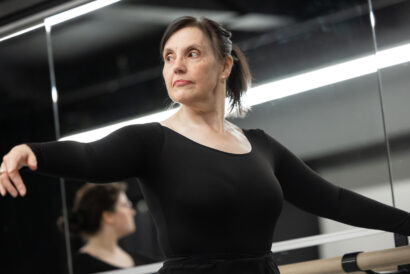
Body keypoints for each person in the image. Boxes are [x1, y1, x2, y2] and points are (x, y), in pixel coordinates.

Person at [0, 16, 409, 274]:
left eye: (191, 53)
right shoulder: (150, 141)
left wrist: (406, 223)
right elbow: (90, 157)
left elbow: (333, 200)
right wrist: (34, 152)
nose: (176, 65)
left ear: (224, 66)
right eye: (168, 56)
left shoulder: (261, 146)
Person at [59, 182, 153, 274]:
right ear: (108, 216)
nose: (132, 212)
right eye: (125, 205)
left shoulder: (142, 260)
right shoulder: (78, 267)